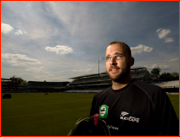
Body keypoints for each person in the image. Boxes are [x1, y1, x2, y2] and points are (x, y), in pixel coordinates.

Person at [90, 41, 179, 136]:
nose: (112, 61)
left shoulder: (154, 95)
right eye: (108, 57)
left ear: (131, 61)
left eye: (118, 56)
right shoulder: (98, 98)